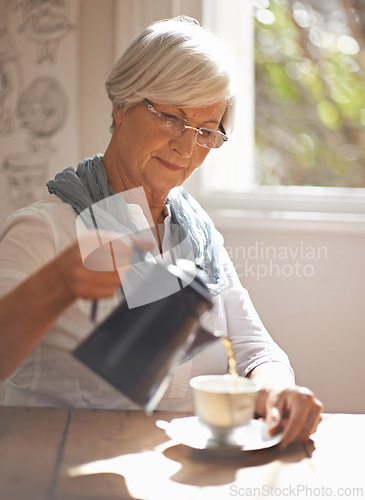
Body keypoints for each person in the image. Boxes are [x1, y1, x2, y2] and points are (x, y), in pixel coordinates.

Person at [0, 16, 322, 448]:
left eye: (206, 131)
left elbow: (255, 349)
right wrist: (56, 285)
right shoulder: (45, 229)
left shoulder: (198, 234)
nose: (186, 147)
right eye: (172, 117)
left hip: (171, 469)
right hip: (52, 469)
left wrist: (278, 389)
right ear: (122, 105)